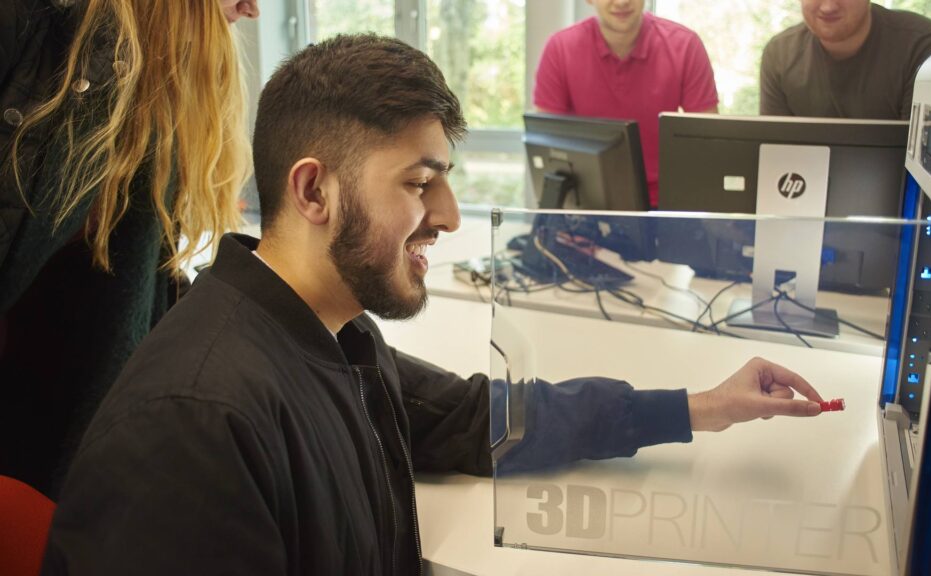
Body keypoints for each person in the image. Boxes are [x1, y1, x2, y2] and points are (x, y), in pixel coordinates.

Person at [42, 34, 823, 575]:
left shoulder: (334, 334)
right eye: (419, 183)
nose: (449, 216)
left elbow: (479, 419)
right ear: (314, 189)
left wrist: (698, 407)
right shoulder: (197, 425)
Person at [0, 0, 259, 497]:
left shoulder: (156, 99)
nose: (252, 10)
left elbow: (148, 291)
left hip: (67, 464)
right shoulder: (31, 25)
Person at [533, 0, 719, 207]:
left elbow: (708, 144)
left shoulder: (685, 45)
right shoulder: (560, 48)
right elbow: (546, 145)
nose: (622, 2)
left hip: (666, 201)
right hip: (585, 201)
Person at [760, 0, 931, 119]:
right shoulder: (779, 55)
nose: (828, 6)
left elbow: (924, 171)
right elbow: (774, 155)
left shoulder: (924, 48)